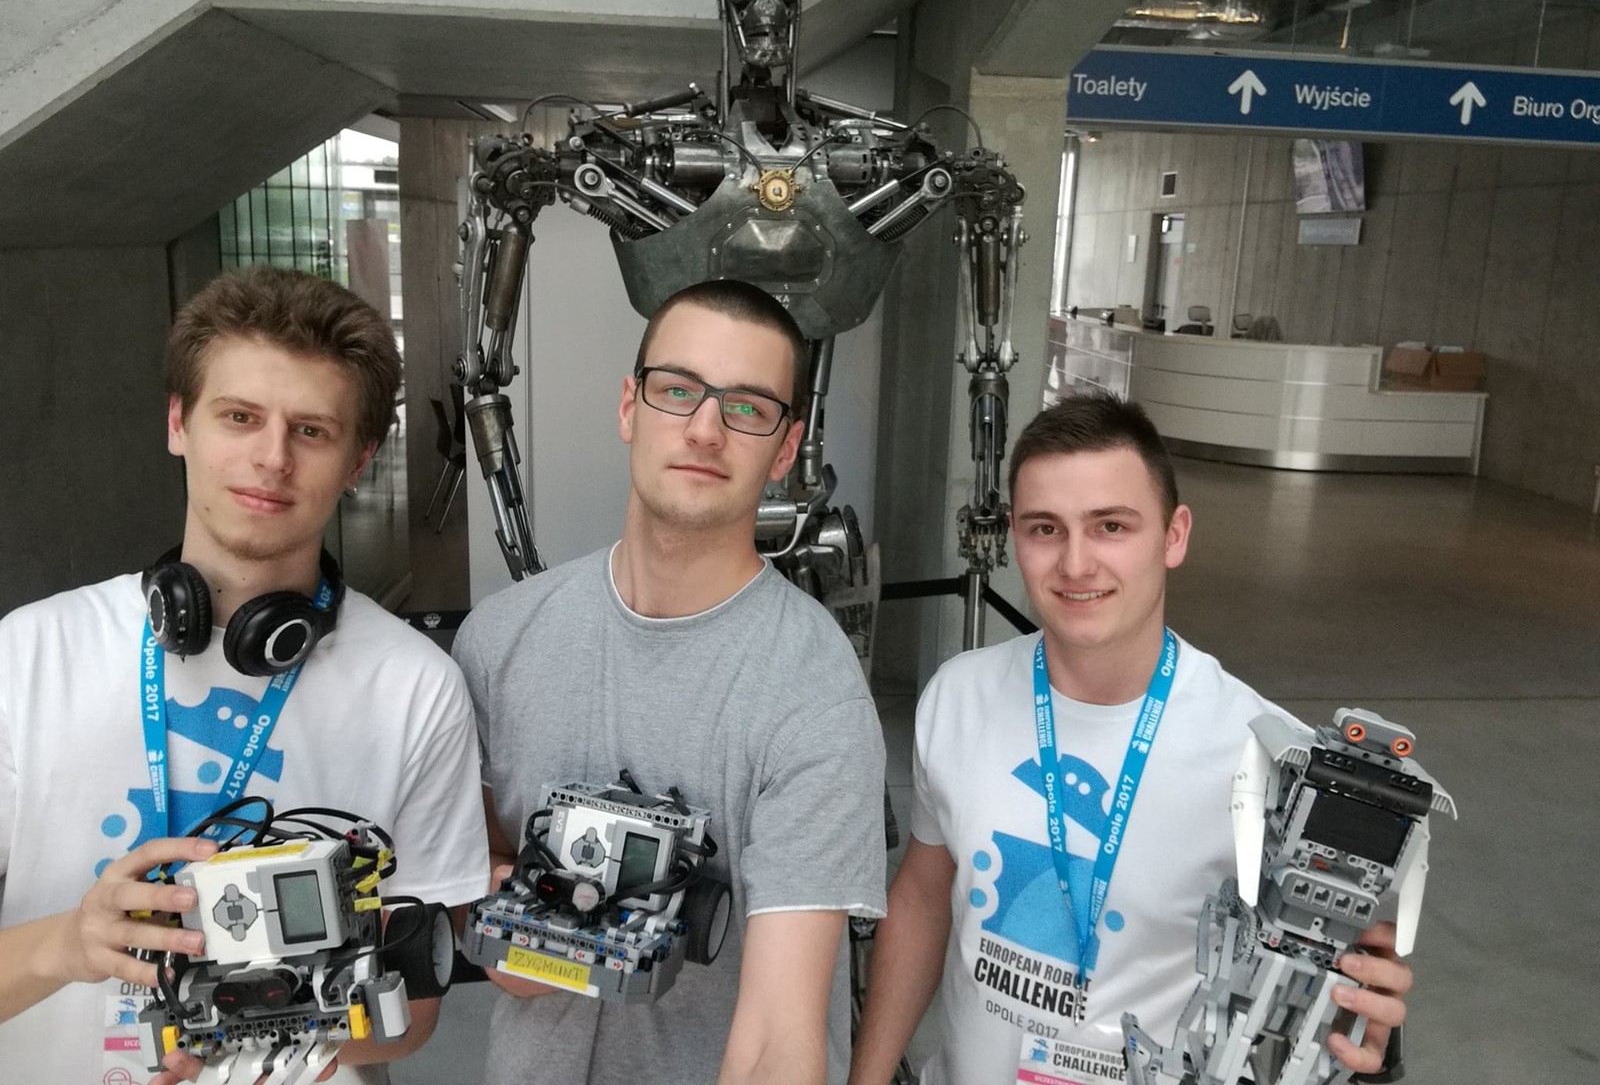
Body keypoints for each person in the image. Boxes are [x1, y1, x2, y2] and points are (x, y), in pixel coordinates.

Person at [0, 266, 490, 1083]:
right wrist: (65, 944)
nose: (271, 458)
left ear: (359, 460)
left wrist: (256, 1027)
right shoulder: (28, 654)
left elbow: (413, 1013)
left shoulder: (416, 687)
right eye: (239, 417)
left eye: (312, 431)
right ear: (178, 423)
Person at [849, 392, 1413, 1085]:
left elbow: (1321, 979)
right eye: (1045, 529)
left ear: (1174, 536)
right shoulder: (957, 697)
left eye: (1110, 526)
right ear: (1015, 538)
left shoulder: (1270, 760)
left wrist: (1363, 1035)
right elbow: (922, 898)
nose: (1076, 563)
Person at [453, 279, 887, 1085]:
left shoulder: (812, 691)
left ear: (785, 449)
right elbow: (479, 872)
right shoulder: (500, 641)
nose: (705, 429)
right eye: (678, 390)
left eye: (748, 407)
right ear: (630, 406)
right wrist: (534, 919)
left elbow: (779, 1037)